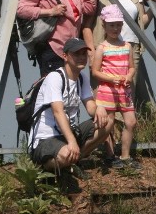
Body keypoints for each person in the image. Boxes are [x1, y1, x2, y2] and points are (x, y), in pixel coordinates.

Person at [28, 38, 113, 185]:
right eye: (76, 54)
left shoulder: (82, 78)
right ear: (65, 56)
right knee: (66, 154)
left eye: (83, 54)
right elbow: (58, 112)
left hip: (67, 134)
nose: (81, 57)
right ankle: (45, 168)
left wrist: (99, 108)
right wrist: (72, 141)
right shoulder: (55, 78)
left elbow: (90, 106)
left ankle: (73, 160)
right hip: (46, 139)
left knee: (108, 123)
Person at [82, 0, 156, 103]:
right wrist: (91, 52)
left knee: (126, 102)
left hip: (130, 51)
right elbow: (86, 25)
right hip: (105, 50)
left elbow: (141, 22)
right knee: (105, 103)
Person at [90, 5, 139, 170]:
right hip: (107, 91)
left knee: (130, 122)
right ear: (104, 25)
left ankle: (125, 156)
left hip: (124, 91)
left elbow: (131, 67)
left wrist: (129, 76)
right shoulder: (102, 48)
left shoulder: (127, 46)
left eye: (118, 24)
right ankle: (110, 156)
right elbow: (95, 71)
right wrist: (112, 78)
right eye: (112, 25)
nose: (115, 28)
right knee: (108, 124)